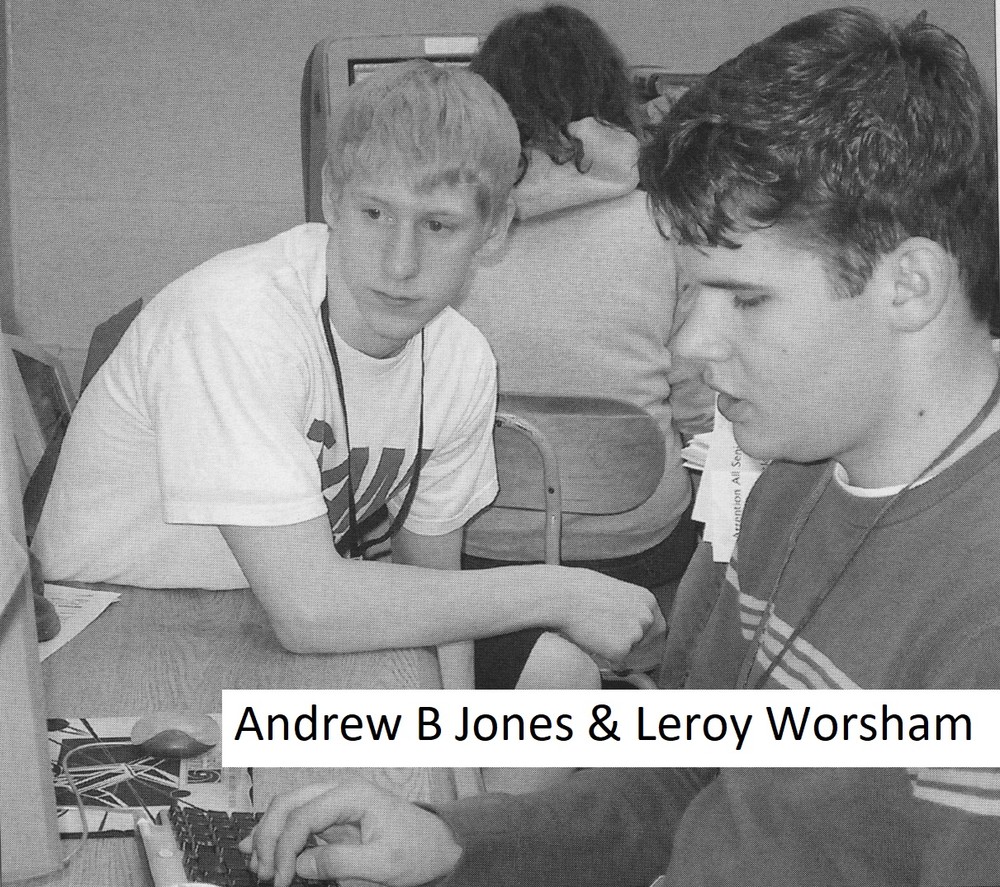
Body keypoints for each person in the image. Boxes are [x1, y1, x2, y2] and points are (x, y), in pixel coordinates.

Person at [242, 8, 1000, 886]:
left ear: (910, 284)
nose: (694, 344)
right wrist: (454, 840)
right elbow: (684, 777)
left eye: (745, 298)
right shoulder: (793, 482)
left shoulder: (977, 613)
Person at [31, 61, 663, 692]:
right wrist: (557, 591)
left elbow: (432, 586)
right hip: (117, 629)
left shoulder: (462, 359)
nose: (400, 263)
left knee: (561, 675)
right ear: (332, 198)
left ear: (494, 228)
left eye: (438, 226)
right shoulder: (235, 316)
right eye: (374, 214)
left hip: (267, 613)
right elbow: (308, 611)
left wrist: (454, 735)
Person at [459, 7, 712, 671]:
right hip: (636, 542)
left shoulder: (445, 227)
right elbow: (701, 411)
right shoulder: (670, 222)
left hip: (477, 544)